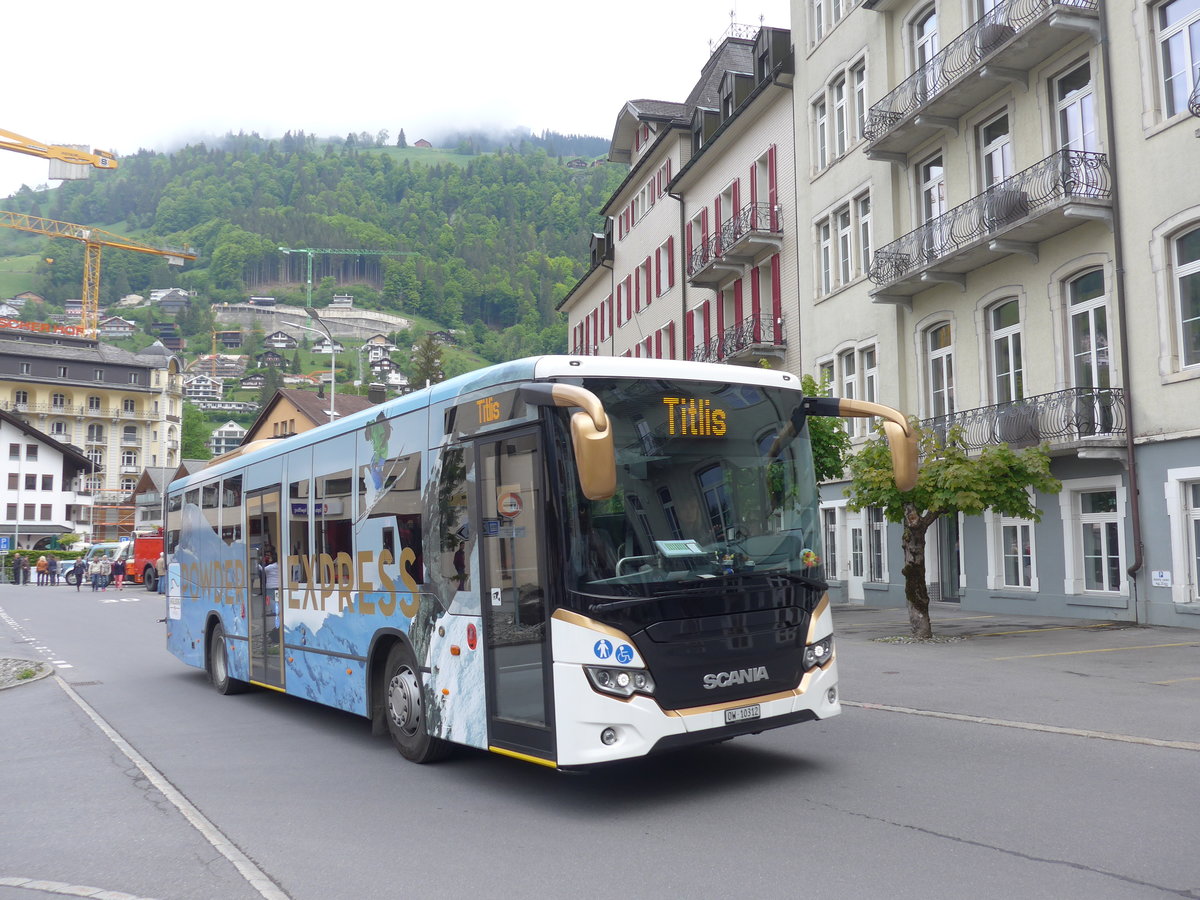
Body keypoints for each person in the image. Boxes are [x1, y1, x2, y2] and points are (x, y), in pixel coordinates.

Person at [262, 551, 280, 640]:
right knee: (277, 603)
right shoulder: (279, 566)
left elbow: (261, 569)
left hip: (270, 588)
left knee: (272, 603)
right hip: (277, 587)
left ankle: (277, 623)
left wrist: (262, 562)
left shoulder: (270, 567)